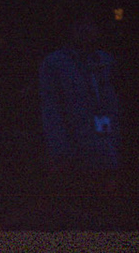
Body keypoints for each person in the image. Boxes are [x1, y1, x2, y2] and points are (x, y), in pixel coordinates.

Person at [40, 13, 122, 222]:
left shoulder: (105, 60)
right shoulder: (55, 63)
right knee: (78, 210)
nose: (86, 30)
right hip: (74, 150)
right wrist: (59, 151)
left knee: (105, 211)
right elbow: (52, 110)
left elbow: (114, 104)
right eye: (80, 25)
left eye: (89, 24)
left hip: (106, 147)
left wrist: (117, 146)